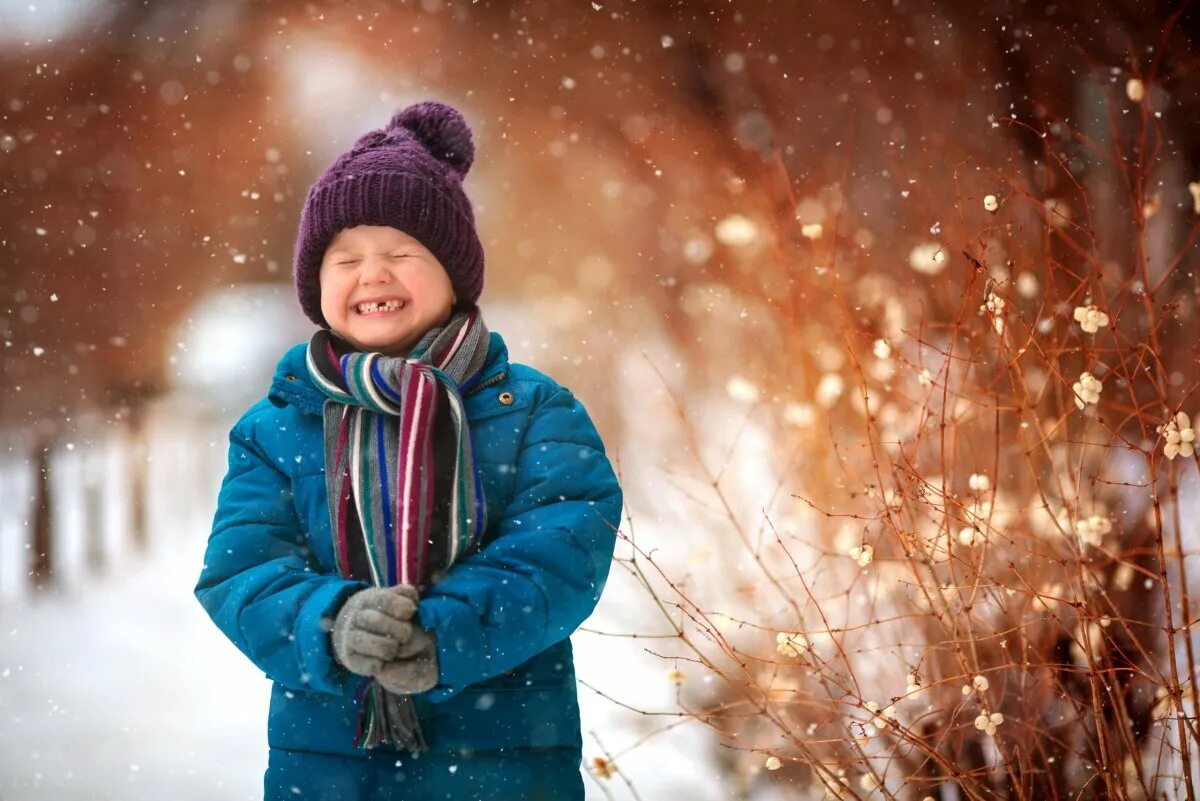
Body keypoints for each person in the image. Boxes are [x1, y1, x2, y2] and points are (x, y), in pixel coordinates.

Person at [194, 99, 623, 801]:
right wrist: (332, 623)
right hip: (331, 764)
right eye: (346, 258)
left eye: (400, 254)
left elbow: (563, 552)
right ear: (316, 285)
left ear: (454, 276)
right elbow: (241, 572)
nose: (372, 274)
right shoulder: (276, 427)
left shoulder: (531, 408)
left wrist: (444, 630)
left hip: (503, 761)